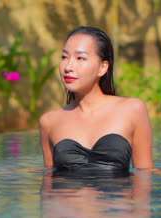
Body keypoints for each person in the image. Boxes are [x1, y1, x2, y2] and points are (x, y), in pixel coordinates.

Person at [39, 26, 154, 174]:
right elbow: (49, 179)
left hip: (115, 197)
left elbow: (145, 174)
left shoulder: (132, 110)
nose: (68, 67)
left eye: (80, 58)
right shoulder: (49, 121)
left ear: (103, 67)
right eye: (64, 57)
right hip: (67, 196)